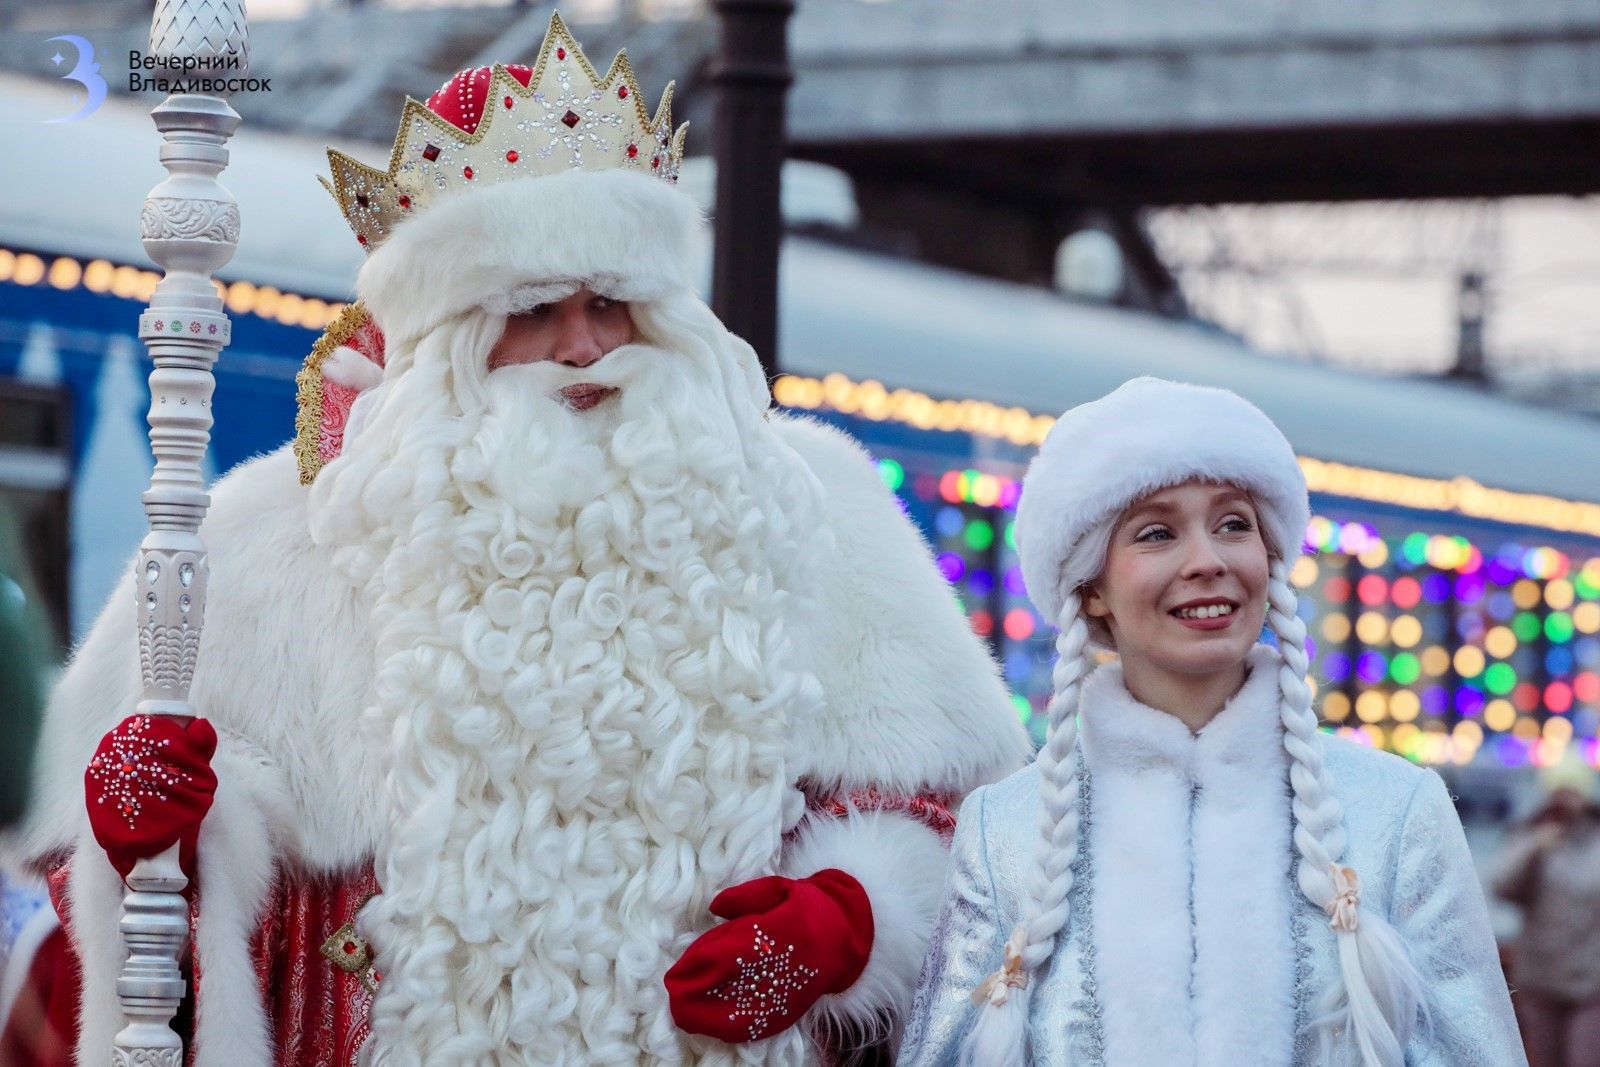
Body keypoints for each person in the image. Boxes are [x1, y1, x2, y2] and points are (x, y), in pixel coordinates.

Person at [2, 14, 1028, 1066]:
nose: (583, 348)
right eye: (534, 309)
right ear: (446, 334)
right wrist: (154, 835)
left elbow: (962, 820)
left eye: (612, 303)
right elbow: (137, 909)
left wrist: (848, 922)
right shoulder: (273, 540)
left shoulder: (807, 505)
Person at [898, 377, 1524, 1066]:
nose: (1208, 560)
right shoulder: (1000, 832)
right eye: (1158, 532)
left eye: (1234, 523)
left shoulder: (1399, 811)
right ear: (1092, 587)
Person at [1494, 757, 1600, 1067]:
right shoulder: (1531, 835)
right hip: (1540, 979)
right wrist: (1535, 847)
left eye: (1572, 791)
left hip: (1591, 982)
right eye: (1558, 791)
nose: (1564, 799)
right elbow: (1502, 887)